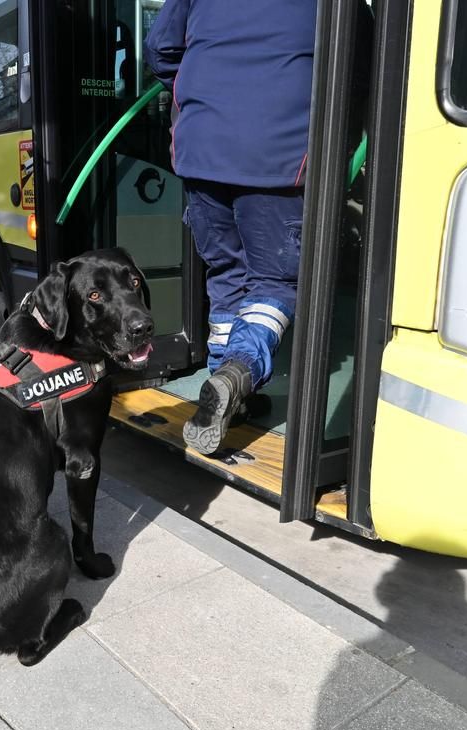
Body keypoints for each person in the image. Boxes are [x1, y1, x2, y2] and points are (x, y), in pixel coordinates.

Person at [145, 0, 316, 455]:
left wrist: (202, 94)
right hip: (278, 154)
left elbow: (159, 48)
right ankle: (238, 370)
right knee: (275, 282)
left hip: (201, 149)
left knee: (226, 272)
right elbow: (364, 60)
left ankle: (224, 391)